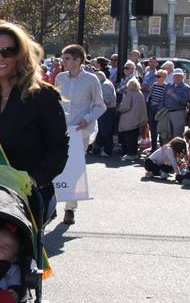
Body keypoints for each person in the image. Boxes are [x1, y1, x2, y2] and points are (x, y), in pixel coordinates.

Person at [0, 21, 68, 226]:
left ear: (21, 54)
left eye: (8, 51)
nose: (0, 57)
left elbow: (59, 149)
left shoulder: (43, 96)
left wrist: (33, 181)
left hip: (28, 198)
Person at [54, 44, 105, 225]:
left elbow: (100, 105)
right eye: (63, 58)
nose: (63, 61)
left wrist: (88, 118)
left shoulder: (91, 80)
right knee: (55, 166)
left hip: (80, 131)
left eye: (67, 58)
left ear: (78, 60)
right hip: (60, 130)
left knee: (74, 169)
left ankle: (70, 208)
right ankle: (52, 203)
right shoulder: (60, 77)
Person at [116, 78, 148, 161]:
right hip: (138, 119)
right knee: (134, 138)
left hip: (129, 120)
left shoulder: (129, 93)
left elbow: (125, 107)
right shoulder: (139, 93)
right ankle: (134, 153)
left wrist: (119, 108)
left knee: (129, 138)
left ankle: (130, 153)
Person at [157, 68, 190, 145]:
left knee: (177, 136)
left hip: (178, 113)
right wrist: (161, 110)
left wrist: (173, 95)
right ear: (173, 77)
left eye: (179, 76)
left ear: (182, 77)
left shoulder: (186, 88)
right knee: (165, 135)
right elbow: (163, 99)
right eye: (175, 76)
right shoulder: (168, 86)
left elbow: (183, 102)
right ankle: (168, 154)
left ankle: (178, 154)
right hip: (167, 112)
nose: (177, 78)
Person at [91, 70, 116, 157]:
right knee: (101, 131)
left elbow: (107, 100)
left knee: (106, 131)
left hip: (107, 110)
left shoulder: (105, 85)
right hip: (104, 110)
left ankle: (108, 150)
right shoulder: (104, 83)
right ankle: (97, 148)